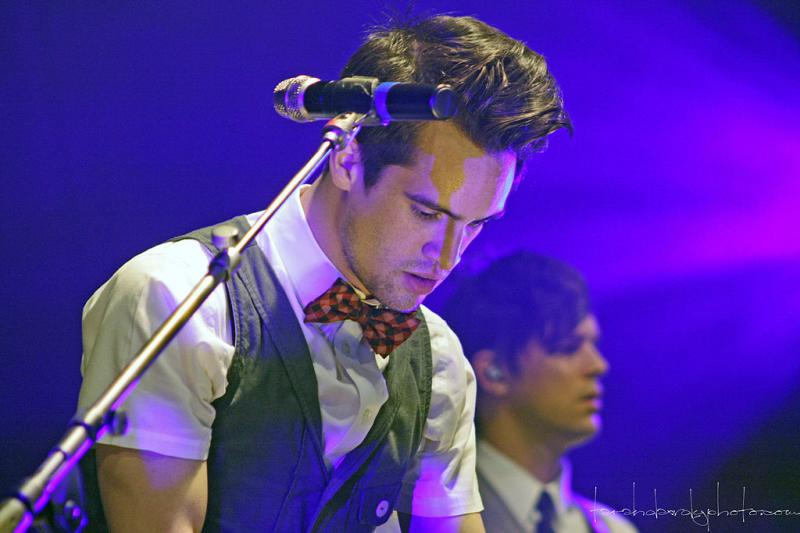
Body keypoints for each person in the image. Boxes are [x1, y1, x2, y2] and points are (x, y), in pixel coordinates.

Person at [77, 15, 570, 532]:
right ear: (347, 159)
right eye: (426, 213)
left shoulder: (439, 357)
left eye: (475, 225)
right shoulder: (177, 300)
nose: (449, 257)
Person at [441, 252, 638, 533]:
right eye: (569, 348)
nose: (598, 366)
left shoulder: (613, 528)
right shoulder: (431, 518)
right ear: (494, 372)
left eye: (593, 345)